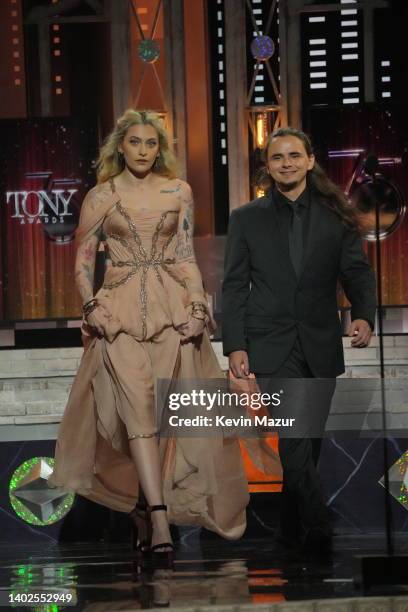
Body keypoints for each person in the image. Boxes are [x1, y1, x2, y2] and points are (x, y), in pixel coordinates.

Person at [49, 109, 250, 559]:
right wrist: (90, 306)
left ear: (160, 149)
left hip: (171, 309)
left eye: (151, 143)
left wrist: (199, 305)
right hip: (116, 309)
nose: (142, 151)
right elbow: (83, 261)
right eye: (135, 142)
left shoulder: (178, 191)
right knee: (137, 409)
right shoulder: (102, 195)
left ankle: (143, 507)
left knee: (159, 417)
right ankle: (159, 517)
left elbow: (183, 256)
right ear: (120, 146)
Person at [222, 127, 376, 553]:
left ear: (310, 161)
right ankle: (320, 524)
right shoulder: (245, 219)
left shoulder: (337, 216)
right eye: (277, 157)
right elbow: (234, 286)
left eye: (294, 155)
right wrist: (235, 344)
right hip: (270, 342)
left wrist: (363, 315)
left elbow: (356, 272)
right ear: (267, 167)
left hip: (320, 341)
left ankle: (289, 527)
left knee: (309, 439)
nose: (286, 163)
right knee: (293, 433)